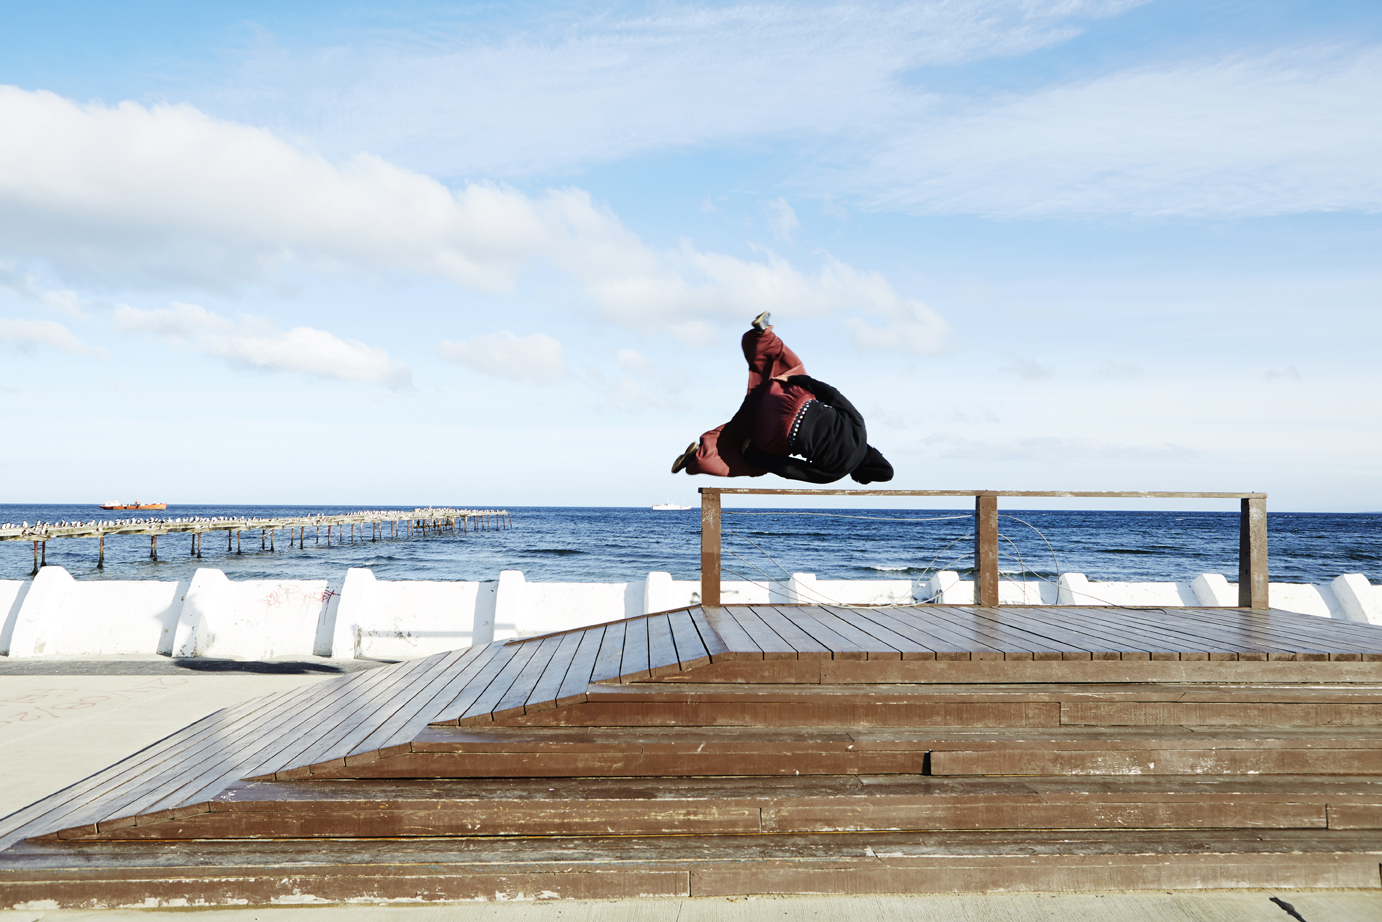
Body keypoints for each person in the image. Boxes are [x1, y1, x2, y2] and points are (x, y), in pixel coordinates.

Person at [671, 313, 893, 484]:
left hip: (786, 399)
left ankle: (764, 334)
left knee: (794, 367)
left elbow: (831, 393)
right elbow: (788, 469)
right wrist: (754, 455)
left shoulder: (859, 425)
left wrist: (796, 379)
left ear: (874, 454)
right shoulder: (835, 473)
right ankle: (698, 457)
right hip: (778, 433)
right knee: (755, 465)